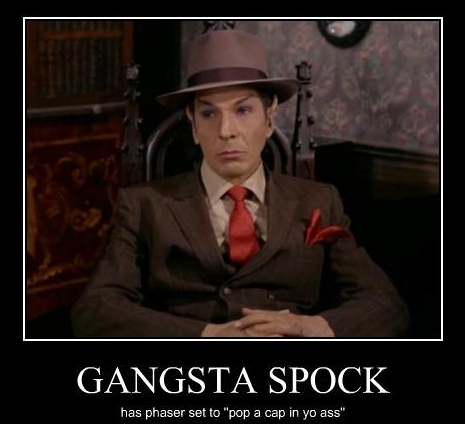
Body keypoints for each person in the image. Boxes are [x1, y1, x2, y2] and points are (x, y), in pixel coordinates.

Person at [71, 28, 408, 338]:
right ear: (192, 124)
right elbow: (96, 309)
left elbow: (385, 304)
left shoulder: (319, 200)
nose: (226, 131)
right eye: (208, 114)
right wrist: (207, 334)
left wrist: (308, 326)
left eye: (243, 110)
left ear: (269, 118)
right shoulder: (144, 204)